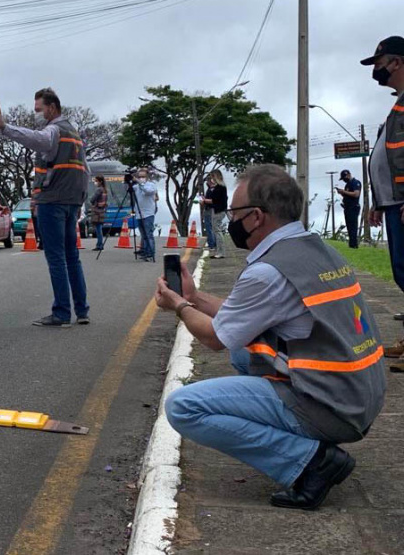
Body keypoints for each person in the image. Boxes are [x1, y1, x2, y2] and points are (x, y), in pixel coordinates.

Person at [156, 164, 386, 510]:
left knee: (184, 407)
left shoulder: (268, 272)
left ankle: (311, 462)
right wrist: (195, 297)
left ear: (256, 217)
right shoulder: (316, 250)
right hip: (359, 396)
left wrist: (179, 305)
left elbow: (215, 338)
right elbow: (237, 319)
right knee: (243, 352)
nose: (231, 221)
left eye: (234, 213)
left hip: (332, 408)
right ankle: (302, 440)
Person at [0, 88, 89, 327]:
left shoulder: (54, 130)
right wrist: (80, 201)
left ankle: (62, 313)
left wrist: (5, 128)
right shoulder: (74, 133)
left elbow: (36, 139)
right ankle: (82, 311)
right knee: (72, 257)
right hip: (71, 201)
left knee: (56, 258)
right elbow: (85, 170)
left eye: (38, 109)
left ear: (52, 108)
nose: (36, 114)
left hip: (53, 201)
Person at [362, 36, 404, 370]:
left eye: (379, 63)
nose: (376, 70)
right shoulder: (398, 105)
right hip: (392, 203)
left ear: (397, 62)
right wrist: (378, 200)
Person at [201, 170, 229, 259]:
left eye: (213, 176)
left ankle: (221, 252)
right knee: (216, 230)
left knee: (217, 231)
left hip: (218, 211)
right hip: (217, 210)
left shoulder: (220, 187)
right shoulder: (220, 187)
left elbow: (214, 200)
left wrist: (204, 200)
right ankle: (219, 251)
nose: (212, 179)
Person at [133, 168, 157, 261]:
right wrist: (128, 181)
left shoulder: (151, 185)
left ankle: (150, 253)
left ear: (147, 177)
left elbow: (148, 191)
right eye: (139, 177)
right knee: (143, 235)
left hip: (148, 213)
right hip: (139, 213)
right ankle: (144, 251)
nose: (141, 178)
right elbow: (128, 190)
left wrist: (140, 183)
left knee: (148, 234)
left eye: (143, 176)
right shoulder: (136, 186)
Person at [335, 169, 361, 249]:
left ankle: (354, 244)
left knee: (353, 226)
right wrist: (342, 193)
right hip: (347, 207)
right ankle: (351, 243)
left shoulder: (356, 183)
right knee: (349, 226)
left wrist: (344, 192)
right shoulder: (348, 185)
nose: (344, 180)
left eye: (344, 178)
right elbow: (348, 195)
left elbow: (356, 194)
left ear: (348, 175)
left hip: (353, 207)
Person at [89, 175, 108, 251]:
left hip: (97, 211)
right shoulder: (105, 190)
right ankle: (100, 244)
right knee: (99, 227)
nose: (95, 182)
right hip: (102, 210)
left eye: (96, 181)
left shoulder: (99, 190)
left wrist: (92, 202)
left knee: (98, 229)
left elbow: (92, 199)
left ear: (100, 181)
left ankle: (99, 245)